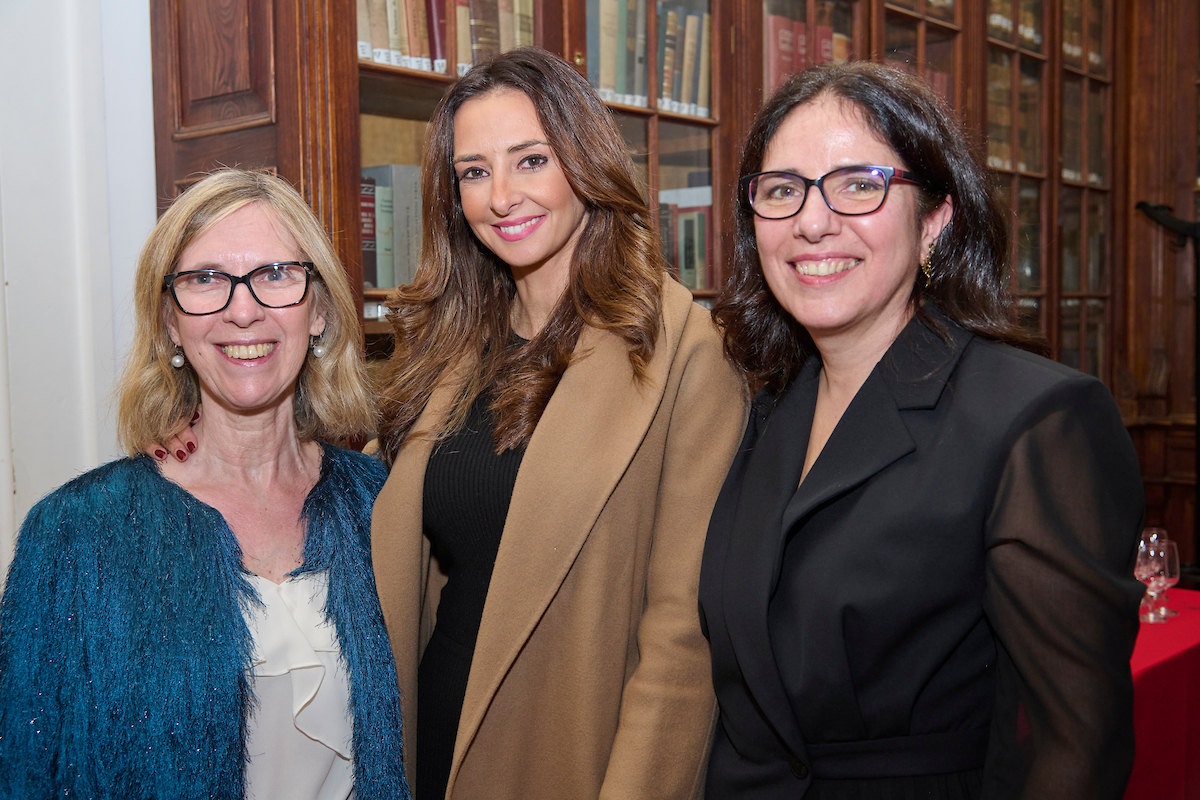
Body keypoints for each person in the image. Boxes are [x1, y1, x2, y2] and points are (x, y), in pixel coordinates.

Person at [698, 61, 1144, 799]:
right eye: (782, 190)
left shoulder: (1036, 420)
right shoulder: (760, 409)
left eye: (858, 184)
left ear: (935, 218)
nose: (813, 221)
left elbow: (1079, 748)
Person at [369, 48, 746, 799]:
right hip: (432, 745)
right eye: (473, 172)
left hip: (570, 754)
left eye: (530, 160)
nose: (501, 196)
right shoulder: (448, 347)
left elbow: (681, 639)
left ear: (584, 161)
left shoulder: (679, 348)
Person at [0, 169, 409, 800]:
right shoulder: (76, 536)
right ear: (169, 321)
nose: (242, 311)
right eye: (206, 280)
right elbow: (26, 773)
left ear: (320, 310)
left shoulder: (384, 507)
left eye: (276, 274)